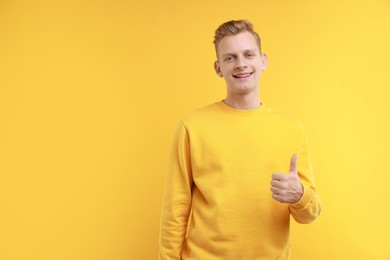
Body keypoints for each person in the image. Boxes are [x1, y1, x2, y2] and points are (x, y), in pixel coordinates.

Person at [159, 19, 321, 260]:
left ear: (263, 60)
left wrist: (299, 195)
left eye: (248, 54)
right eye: (230, 57)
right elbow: (176, 207)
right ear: (218, 68)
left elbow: (309, 214)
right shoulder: (191, 126)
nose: (241, 64)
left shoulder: (291, 128)